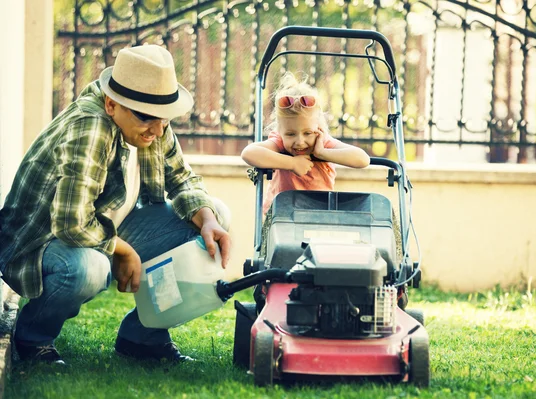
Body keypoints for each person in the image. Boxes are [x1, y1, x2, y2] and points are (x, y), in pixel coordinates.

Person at [0, 45, 231, 365]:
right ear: (111, 104)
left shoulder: (151, 121)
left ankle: (142, 337)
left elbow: (182, 178)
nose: (158, 128)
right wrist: (123, 251)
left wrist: (207, 219)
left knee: (215, 213)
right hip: (42, 240)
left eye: (164, 117)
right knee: (87, 271)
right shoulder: (90, 127)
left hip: (106, 225)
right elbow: (70, 223)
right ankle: (33, 338)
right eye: (147, 116)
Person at [241, 72, 370, 214]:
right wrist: (292, 163)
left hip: (318, 215)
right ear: (280, 130)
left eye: (307, 133)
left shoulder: (322, 142)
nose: (300, 141)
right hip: (282, 215)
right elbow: (248, 153)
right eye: (290, 134)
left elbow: (362, 159)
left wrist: (322, 153)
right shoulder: (279, 143)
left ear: (318, 127)